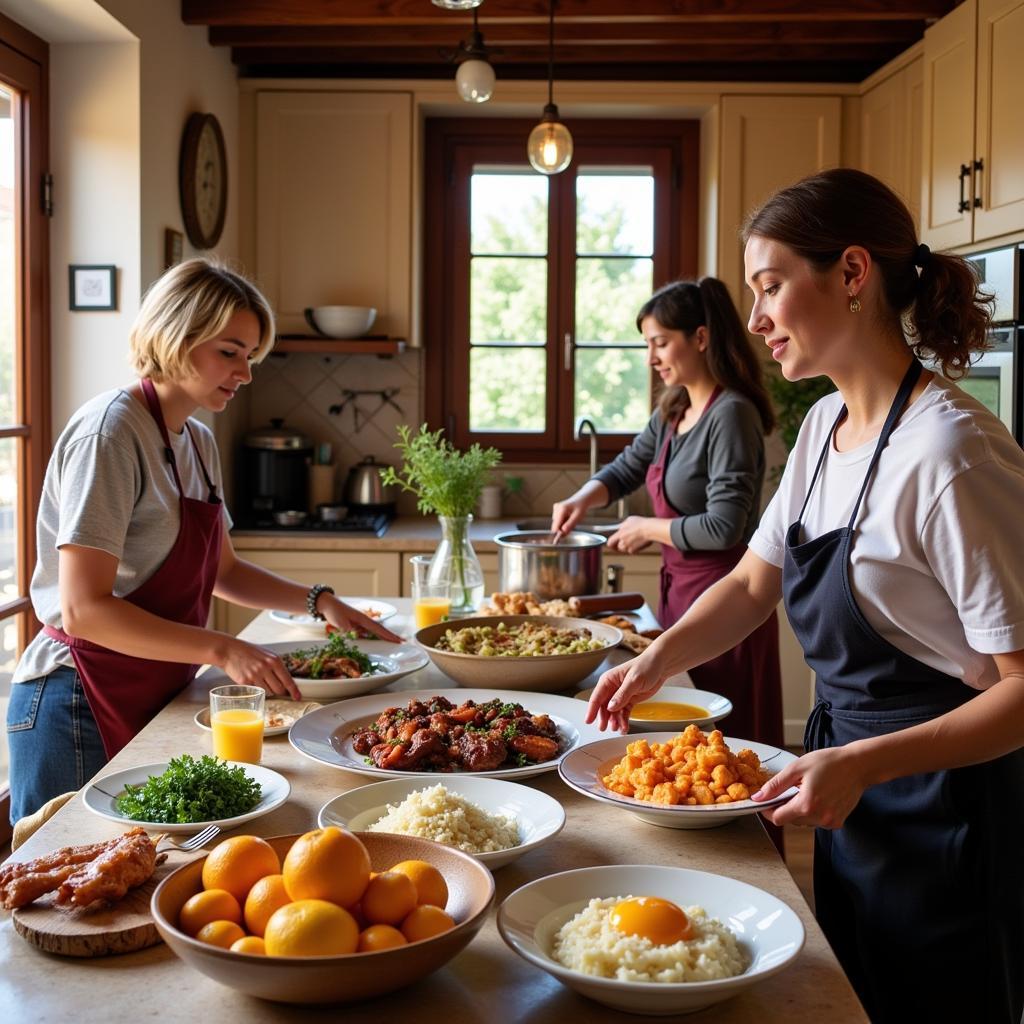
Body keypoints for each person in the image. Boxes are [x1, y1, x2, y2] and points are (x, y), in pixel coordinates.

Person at [585, 168, 1024, 1024]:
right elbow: (756, 580)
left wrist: (864, 763)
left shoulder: (952, 453)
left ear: (853, 274)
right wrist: (658, 662)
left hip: (946, 809)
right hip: (849, 795)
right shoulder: (823, 428)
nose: (753, 321)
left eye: (771, 285)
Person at [7, 257, 400, 824]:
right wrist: (223, 648)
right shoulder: (110, 433)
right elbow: (83, 610)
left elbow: (224, 571)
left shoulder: (196, 440)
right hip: (76, 698)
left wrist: (321, 602)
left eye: (250, 357)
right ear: (175, 333)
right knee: (59, 887)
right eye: (230, 351)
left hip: (148, 685)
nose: (245, 373)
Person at [551, 277, 783, 747]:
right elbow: (627, 467)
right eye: (647, 345)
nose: (651, 358)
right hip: (681, 597)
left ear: (700, 338)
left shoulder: (731, 414)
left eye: (660, 343)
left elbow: (724, 527)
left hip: (728, 602)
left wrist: (648, 528)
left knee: (726, 743)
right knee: (684, 739)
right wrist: (583, 496)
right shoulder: (674, 409)